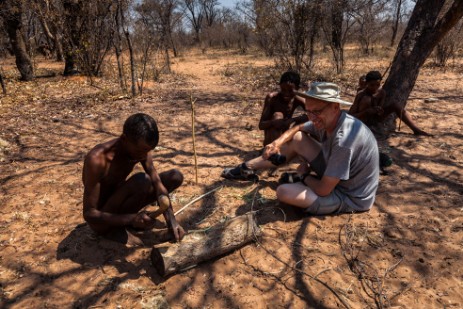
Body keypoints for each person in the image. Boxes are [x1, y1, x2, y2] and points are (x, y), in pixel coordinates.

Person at [222, 82, 379, 215]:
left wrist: (303, 176)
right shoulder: (329, 120)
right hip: (338, 176)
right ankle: (247, 167)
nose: (312, 117)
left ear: (335, 107)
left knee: (284, 192)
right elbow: (299, 127)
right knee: (297, 138)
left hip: (350, 196)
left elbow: (324, 190)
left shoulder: (344, 139)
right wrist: (277, 143)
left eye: (317, 111)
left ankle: (301, 181)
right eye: (309, 111)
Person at [82, 113, 185, 244]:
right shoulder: (97, 160)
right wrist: (131, 219)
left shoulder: (140, 149)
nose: (144, 155)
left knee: (174, 177)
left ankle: (132, 224)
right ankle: (119, 230)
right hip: (102, 219)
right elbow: (89, 214)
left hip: (123, 205)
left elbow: (158, 186)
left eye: (148, 151)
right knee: (141, 181)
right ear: (124, 139)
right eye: (141, 151)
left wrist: (172, 221)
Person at [349, 70, 431, 136]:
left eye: (377, 85)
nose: (375, 88)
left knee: (395, 105)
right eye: (372, 85)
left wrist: (379, 111)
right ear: (366, 84)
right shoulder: (361, 95)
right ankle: (364, 128)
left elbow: (380, 113)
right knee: (366, 100)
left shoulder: (381, 93)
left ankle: (416, 129)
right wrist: (366, 112)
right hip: (361, 120)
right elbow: (351, 116)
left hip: (374, 119)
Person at [258, 71, 308, 147]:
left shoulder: (298, 99)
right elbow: (261, 125)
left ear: (297, 89)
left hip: (285, 134)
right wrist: (273, 122)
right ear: (280, 86)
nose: (286, 94)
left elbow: (312, 116)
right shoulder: (272, 98)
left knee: (304, 120)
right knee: (278, 115)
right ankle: (273, 151)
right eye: (283, 90)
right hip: (271, 137)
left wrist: (292, 120)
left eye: (290, 91)